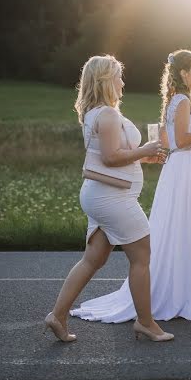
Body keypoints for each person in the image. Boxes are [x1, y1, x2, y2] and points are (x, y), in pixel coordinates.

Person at [71, 49, 191, 322]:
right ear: (183, 73)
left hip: (182, 169)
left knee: (186, 230)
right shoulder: (180, 100)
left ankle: (188, 290)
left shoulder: (175, 100)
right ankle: (173, 304)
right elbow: (181, 141)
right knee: (189, 230)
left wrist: (148, 153)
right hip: (189, 171)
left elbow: (168, 142)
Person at [45, 55, 173, 342]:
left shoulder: (95, 113)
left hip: (101, 195)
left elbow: (108, 156)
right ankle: (146, 322)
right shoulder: (108, 115)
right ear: (105, 80)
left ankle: (57, 315)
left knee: (93, 259)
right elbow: (111, 157)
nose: (123, 82)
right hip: (113, 199)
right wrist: (146, 149)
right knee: (141, 257)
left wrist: (145, 157)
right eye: (118, 76)